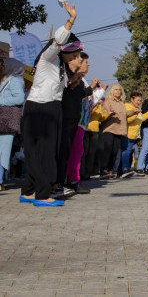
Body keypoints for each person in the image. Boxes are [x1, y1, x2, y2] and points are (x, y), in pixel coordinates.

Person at [20, 0, 82, 207]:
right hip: (41, 109)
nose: (77, 58)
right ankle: (43, 194)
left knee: (37, 151)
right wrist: (70, 21)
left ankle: (28, 191)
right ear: (64, 51)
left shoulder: (60, 69)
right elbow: (57, 40)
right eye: (74, 54)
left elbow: (59, 88)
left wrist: (76, 78)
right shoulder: (49, 57)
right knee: (45, 152)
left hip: (49, 109)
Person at [57, 52, 94, 198]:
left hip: (80, 121)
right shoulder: (71, 79)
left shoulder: (82, 81)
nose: (87, 64)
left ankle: (72, 180)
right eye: (84, 61)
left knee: (77, 152)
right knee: (72, 152)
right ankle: (71, 181)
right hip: (72, 121)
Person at [0, 58, 25, 192]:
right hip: (3, 120)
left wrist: (1, 100)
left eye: (4, 64)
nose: (2, 66)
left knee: (2, 152)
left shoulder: (15, 80)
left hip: (6, 121)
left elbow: (19, 98)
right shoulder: (6, 78)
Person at [99, 83, 133, 180]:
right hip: (109, 129)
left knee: (115, 151)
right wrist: (109, 113)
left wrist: (133, 111)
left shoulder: (121, 102)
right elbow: (104, 113)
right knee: (107, 149)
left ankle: (110, 170)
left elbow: (124, 114)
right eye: (116, 89)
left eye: (119, 90)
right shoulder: (108, 101)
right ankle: (103, 170)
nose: (118, 91)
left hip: (119, 130)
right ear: (112, 91)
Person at [123, 92, 148, 176]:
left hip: (134, 135)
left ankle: (127, 169)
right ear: (131, 99)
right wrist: (134, 113)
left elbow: (141, 118)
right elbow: (127, 120)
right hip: (127, 134)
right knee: (126, 152)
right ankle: (124, 169)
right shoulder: (127, 107)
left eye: (140, 100)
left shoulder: (137, 109)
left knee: (129, 153)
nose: (138, 102)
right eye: (137, 100)